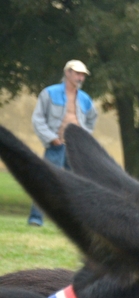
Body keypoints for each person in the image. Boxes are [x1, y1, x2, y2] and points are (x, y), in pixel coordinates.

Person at [28, 60, 97, 227]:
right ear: (68, 73)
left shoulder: (85, 99)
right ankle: (36, 219)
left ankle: (73, 223)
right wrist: (51, 138)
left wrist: (83, 137)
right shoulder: (49, 93)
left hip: (74, 149)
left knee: (76, 185)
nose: (81, 78)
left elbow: (92, 119)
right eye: (78, 74)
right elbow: (38, 119)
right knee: (46, 181)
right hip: (56, 146)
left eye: (83, 75)